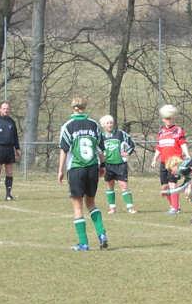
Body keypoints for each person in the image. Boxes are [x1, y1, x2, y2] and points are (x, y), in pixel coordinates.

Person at [57, 97, 108, 251]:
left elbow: (64, 149)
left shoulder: (68, 126)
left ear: (73, 108)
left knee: (78, 207)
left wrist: (60, 170)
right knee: (91, 203)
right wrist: (103, 165)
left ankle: (83, 243)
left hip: (76, 169)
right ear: (84, 107)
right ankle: (102, 234)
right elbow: (100, 149)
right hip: (92, 168)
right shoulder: (94, 124)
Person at [150, 105, 190, 215]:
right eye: (166, 118)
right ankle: (174, 206)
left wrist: (187, 154)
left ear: (173, 118)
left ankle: (175, 208)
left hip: (174, 162)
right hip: (164, 162)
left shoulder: (178, 130)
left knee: (172, 184)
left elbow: (183, 143)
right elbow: (159, 147)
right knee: (164, 187)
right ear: (163, 119)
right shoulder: (161, 132)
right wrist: (154, 159)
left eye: (170, 118)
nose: (168, 120)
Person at [99, 115, 137, 215]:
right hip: (108, 165)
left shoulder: (120, 134)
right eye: (107, 123)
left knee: (123, 185)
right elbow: (98, 149)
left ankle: (130, 207)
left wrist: (127, 152)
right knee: (110, 185)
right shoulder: (101, 137)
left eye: (111, 122)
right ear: (103, 125)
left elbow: (132, 144)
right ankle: (112, 208)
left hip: (120, 164)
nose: (110, 125)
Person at [0, 101, 21, 201]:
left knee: (9, 172)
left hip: (9, 149)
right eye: (4, 108)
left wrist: (17, 148)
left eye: (7, 109)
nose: (6, 110)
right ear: (0, 109)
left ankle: (8, 194)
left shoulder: (11, 122)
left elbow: (15, 136)